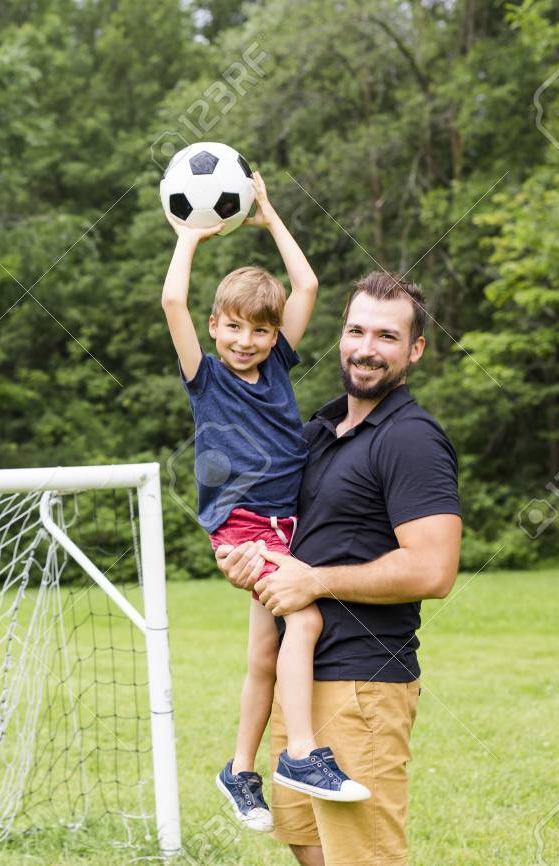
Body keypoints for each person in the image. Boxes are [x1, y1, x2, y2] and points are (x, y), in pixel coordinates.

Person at [214, 271, 463, 866]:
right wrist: (240, 562)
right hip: (295, 685)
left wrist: (316, 580)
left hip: (362, 685)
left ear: (414, 350)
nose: (367, 348)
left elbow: (434, 571)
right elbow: (276, 533)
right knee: (309, 848)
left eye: (386, 335)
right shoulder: (316, 433)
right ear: (341, 337)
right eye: (356, 330)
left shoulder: (412, 440)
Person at [160, 170, 370, 837]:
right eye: (233, 327)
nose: (246, 341)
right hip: (245, 528)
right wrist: (190, 237)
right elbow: (171, 300)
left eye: (259, 330)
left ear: (274, 335)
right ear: (215, 326)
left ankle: (240, 768)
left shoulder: (279, 364)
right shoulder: (206, 379)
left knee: (263, 653)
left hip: (289, 524)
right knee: (304, 623)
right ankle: (304, 755)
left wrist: (272, 214)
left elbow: (305, 286)